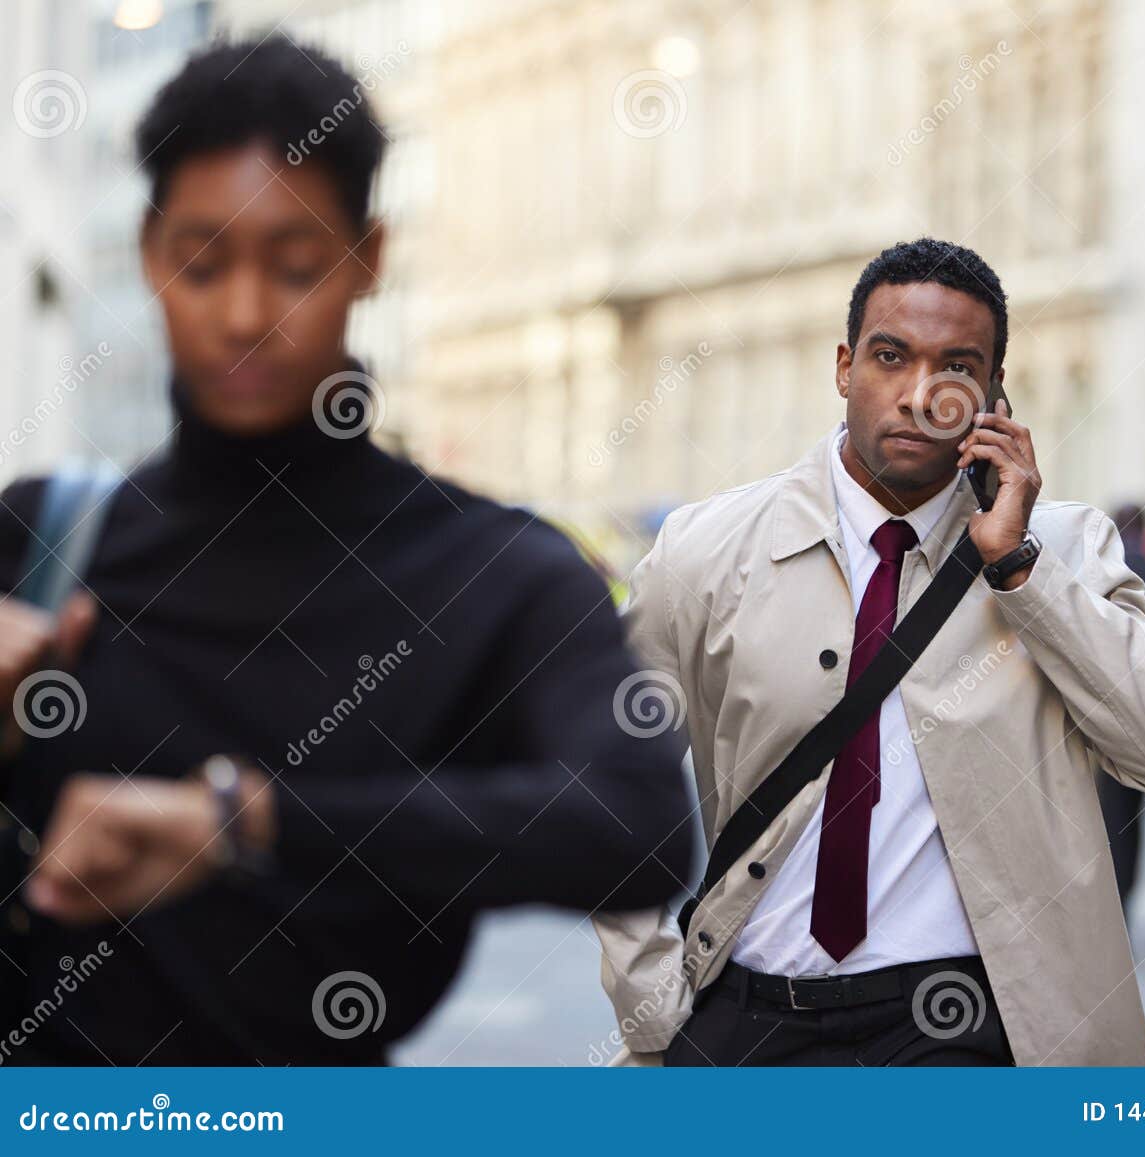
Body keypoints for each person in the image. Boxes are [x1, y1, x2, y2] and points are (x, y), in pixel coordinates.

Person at [0, 36, 693, 1064]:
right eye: (204, 259)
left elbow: (636, 823)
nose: (243, 314)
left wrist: (245, 819)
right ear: (150, 254)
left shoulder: (491, 569)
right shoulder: (44, 536)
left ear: (367, 259)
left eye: (294, 264)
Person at [593, 238, 1145, 1066]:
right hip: (751, 1022)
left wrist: (1021, 569)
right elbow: (603, 775)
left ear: (994, 392)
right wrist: (649, 1001)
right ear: (846, 366)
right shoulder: (705, 551)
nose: (921, 394)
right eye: (891, 357)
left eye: (957, 367)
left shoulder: (1064, 548)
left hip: (964, 1029)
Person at [1098, 501, 1145, 903]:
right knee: (1135, 819)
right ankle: (1128, 892)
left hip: (1109, 706)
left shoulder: (1106, 563)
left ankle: (1113, 892)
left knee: (1111, 814)